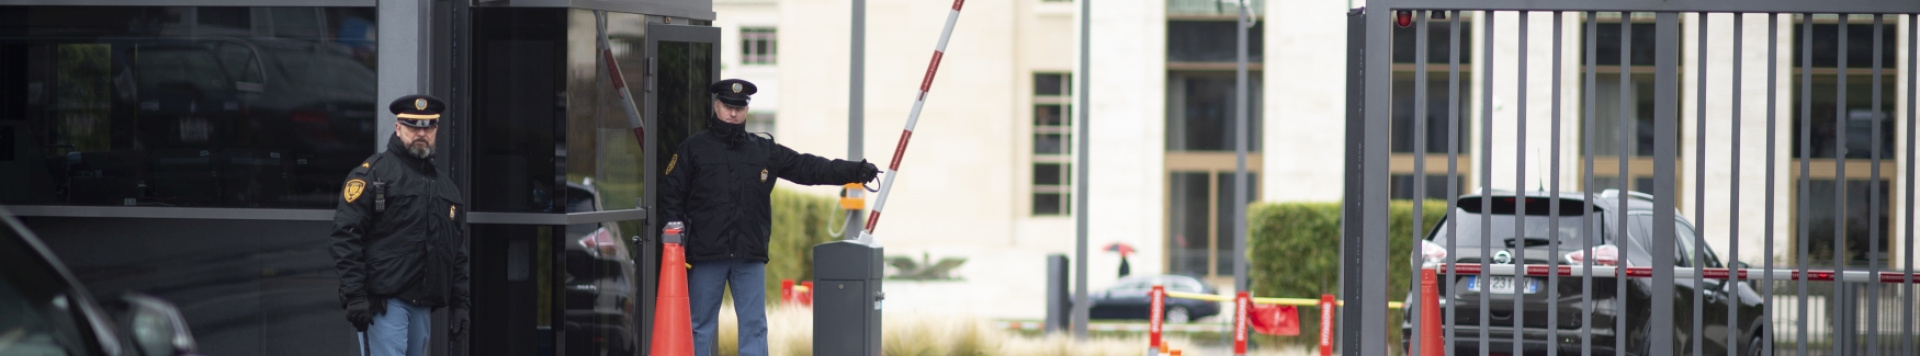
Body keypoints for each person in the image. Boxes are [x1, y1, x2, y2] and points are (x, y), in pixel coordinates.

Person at [660, 79, 879, 356]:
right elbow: (671, 194)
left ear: (747, 109)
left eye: (739, 107)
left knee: (754, 327)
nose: (733, 113)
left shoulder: (762, 150)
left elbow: (807, 168)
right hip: (706, 254)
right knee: (698, 327)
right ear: (716, 105)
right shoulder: (693, 149)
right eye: (728, 106)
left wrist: (854, 171)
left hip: (749, 255)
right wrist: (673, 236)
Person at [329, 94, 471, 356]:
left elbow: (455, 251)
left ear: (436, 130)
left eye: (428, 126)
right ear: (398, 128)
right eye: (412, 126)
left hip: (423, 303)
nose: (421, 133)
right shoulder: (373, 174)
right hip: (384, 304)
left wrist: (460, 303)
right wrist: (355, 296)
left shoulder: (445, 187)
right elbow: (345, 236)